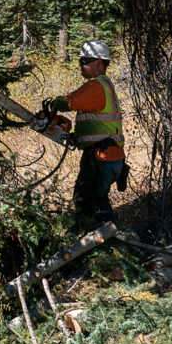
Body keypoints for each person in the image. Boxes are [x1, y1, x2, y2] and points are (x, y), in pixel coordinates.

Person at [46, 40, 125, 229]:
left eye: (85, 61)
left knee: (86, 200)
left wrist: (56, 102)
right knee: (99, 198)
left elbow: (72, 101)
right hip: (109, 153)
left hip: (100, 155)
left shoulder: (96, 85)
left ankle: (93, 239)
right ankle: (108, 237)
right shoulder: (105, 85)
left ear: (98, 62)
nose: (81, 65)